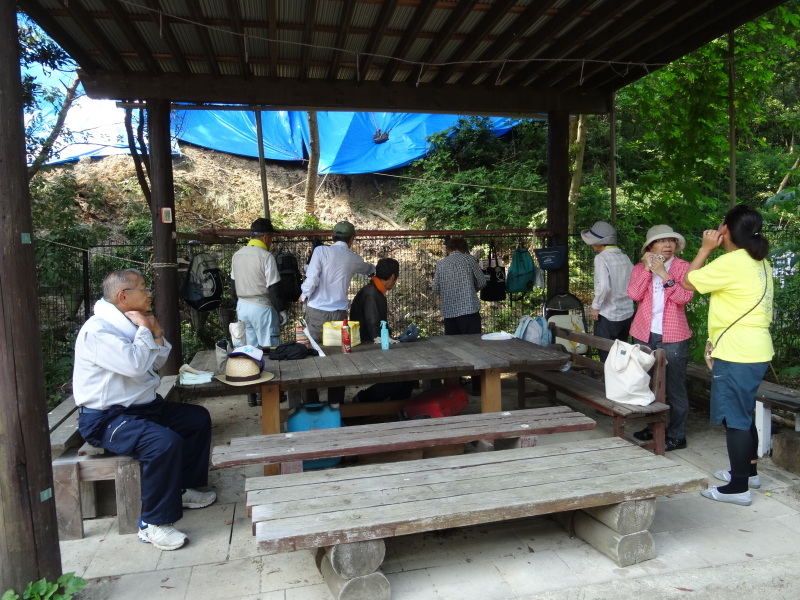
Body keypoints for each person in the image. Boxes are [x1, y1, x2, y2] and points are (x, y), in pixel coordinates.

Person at [73, 269, 216, 551]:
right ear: (123, 297)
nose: (149, 293)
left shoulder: (128, 324)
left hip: (144, 407)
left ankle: (182, 488)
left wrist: (156, 331)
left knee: (196, 419)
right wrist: (144, 329)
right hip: (106, 419)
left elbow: (159, 358)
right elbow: (135, 364)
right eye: (143, 288)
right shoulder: (99, 331)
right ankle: (152, 524)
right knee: (163, 443)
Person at [682, 205, 774, 507]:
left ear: (727, 231)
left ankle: (738, 488)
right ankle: (749, 473)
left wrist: (705, 248)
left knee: (735, 418)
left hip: (737, 352)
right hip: (756, 348)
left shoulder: (733, 263)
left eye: (721, 225)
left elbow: (687, 282)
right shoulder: (760, 262)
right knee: (743, 413)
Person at [627, 225, 694, 452]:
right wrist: (648, 269)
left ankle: (677, 434)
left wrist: (665, 275)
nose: (667, 245)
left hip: (673, 335)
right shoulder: (639, 268)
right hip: (644, 333)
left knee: (675, 387)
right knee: (647, 384)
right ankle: (653, 426)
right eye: (661, 241)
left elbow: (684, 298)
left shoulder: (684, 267)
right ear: (650, 246)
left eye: (671, 241)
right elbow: (634, 295)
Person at [300, 220, 374, 403]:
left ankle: (311, 401)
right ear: (352, 239)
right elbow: (369, 270)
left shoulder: (321, 251)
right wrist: (374, 270)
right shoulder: (353, 258)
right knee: (339, 359)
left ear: (333, 237)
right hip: (339, 316)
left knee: (312, 356)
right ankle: (336, 403)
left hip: (316, 312)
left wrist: (303, 295)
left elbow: (312, 278)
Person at [349, 258, 415, 402]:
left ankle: (397, 407)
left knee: (410, 376)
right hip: (367, 347)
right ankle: (363, 399)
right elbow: (374, 328)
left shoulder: (375, 290)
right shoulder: (371, 294)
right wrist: (389, 341)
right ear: (392, 277)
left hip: (372, 342)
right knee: (399, 378)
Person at [580, 221, 634, 361]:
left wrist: (595, 307)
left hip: (608, 314)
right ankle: (622, 382)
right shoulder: (625, 257)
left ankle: (608, 382)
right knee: (621, 353)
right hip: (627, 313)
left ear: (599, 243)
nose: (591, 245)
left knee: (606, 355)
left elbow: (603, 286)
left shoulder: (601, 258)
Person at [230, 217, 287, 349]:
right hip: (262, 309)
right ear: (266, 237)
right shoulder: (266, 257)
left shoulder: (237, 255)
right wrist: (281, 309)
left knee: (251, 350)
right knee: (270, 350)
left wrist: (237, 306)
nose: (271, 241)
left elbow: (233, 286)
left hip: (242, 307)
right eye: (271, 237)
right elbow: (274, 287)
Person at [432, 236, 486, 335]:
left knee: (453, 345)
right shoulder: (469, 260)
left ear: (448, 250)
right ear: (464, 248)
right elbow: (482, 282)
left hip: (449, 312)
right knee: (473, 343)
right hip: (469, 310)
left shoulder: (441, 264)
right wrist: (471, 289)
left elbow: (435, 288)